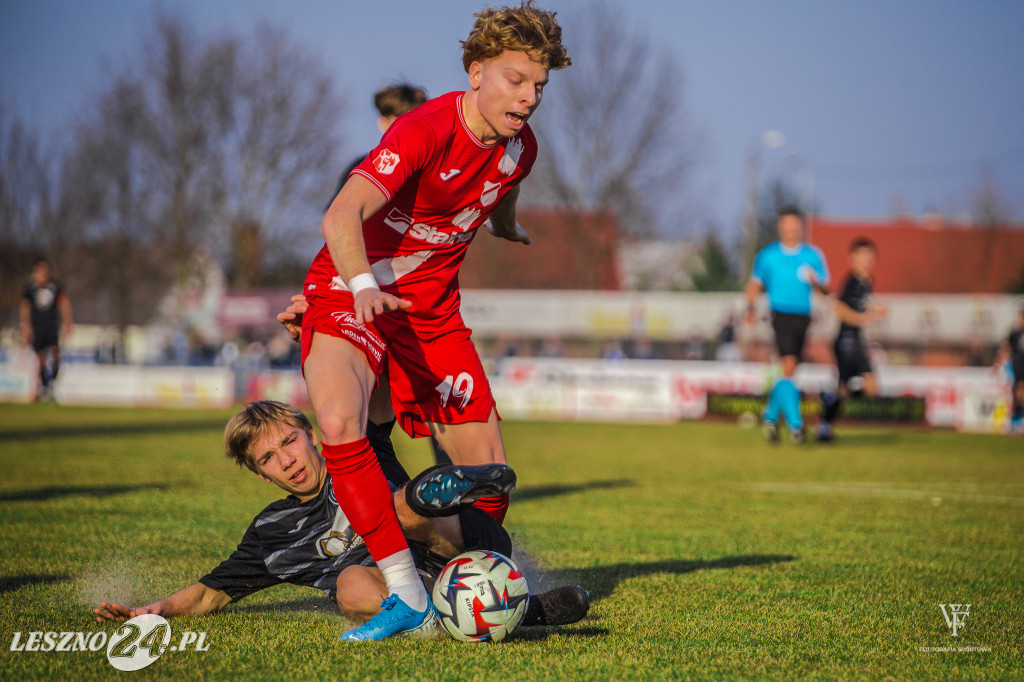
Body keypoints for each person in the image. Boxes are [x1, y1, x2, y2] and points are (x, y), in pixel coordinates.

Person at [298, 1, 570, 640]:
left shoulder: (519, 148)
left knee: (491, 470)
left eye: (539, 86)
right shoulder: (422, 130)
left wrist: (507, 226)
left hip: (432, 316)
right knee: (339, 421)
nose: (529, 98)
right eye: (515, 79)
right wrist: (363, 286)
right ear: (475, 72)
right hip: (351, 293)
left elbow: (505, 185)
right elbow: (339, 218)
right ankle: (405, 594)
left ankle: (476, 585)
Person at [93, 401, 589, 630]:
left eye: (289, 441)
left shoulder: (356, 449)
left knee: (398, 510)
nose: (287, 459)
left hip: (463, 541)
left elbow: (373, 390)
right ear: (262, 475)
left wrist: (322, 332)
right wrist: (150, 611)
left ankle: (443, 491)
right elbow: (208, 594)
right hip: (411, 586)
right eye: (269, 458)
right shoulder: (272, 534)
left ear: (312, 435)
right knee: (349, 584)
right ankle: (513, 613)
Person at [744, 207, 830, 443]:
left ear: (800, 226)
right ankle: (795, 425)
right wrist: (750, 309)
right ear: (780, 227)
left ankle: (771, 416)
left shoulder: (813, 255)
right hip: (779, 313)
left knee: (790, 371)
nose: (790, 228)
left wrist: (816, 283)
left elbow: (827, 288)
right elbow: (753, 286)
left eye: (794, 224)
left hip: (803, 316)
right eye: (786, 224)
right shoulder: (768, 255)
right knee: (790, 364)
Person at [817, 238, 889, 442]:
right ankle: (825, 425)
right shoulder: (852, 281)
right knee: (854, 387)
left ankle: (829, 401)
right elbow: (838, 307)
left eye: (870, 256)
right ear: (853, 258)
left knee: (870, 389)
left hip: (857, 341)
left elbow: (861, 306)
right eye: (862, 256)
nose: (867, 261)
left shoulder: (867, 282)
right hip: (845, 341)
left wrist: (876, 311)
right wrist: (862, 318)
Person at [326, 83, 430, 212]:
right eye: (400, 122)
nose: (407, 130)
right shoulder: (363, 167)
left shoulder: (433, 169)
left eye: (413, 122)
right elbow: (333, 216)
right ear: (383, 123)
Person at [19, 257, 73, 402]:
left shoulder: (55, 287)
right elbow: (25, 307)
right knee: (41, 359)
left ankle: (52, 382)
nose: (42, 273)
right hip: (37, 327)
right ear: (35, 272)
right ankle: (44, 387)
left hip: (51, 325)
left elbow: (64, 304)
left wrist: (68, 322)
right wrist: (25, 326)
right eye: (40, 270)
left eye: (45, 270)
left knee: (55, 354)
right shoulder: (30, 289)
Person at [993, 306, 1024, 434]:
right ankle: (1016, 421)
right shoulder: (1015, 333)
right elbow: (1005, 347)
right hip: (1018, 364)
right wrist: (997, 363)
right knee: (1018, 390)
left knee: (1019, 392)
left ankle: (1017, 420)